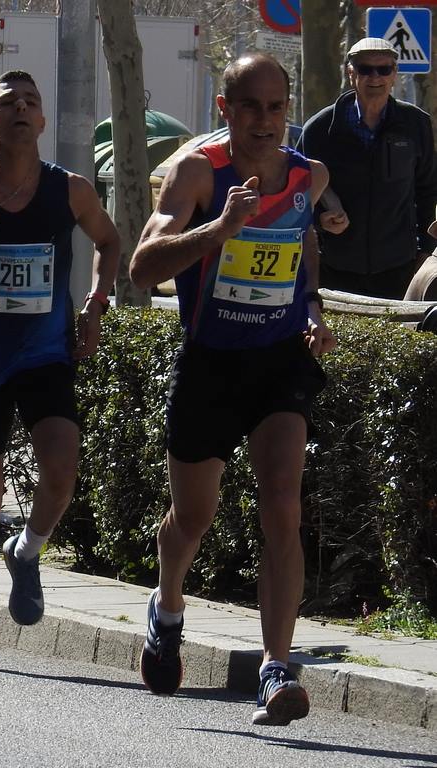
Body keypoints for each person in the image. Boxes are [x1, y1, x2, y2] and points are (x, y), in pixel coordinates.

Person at [129, 53, 337, 726]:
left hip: (277, 361)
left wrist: (312, 316)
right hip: (211, 362)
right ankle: (167, 607)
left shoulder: (308, 175)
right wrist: (220, 227)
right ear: (225, 108)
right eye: (251, 106)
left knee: (283, 504)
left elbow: (302, 257)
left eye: (277, 107)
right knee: (192, 519)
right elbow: (142, 267)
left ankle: (276, 668)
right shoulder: (199, 171)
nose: (266, 121)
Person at [0, 70, 119, 672]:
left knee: (62, 468)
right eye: (7, 103)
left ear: (41, 123)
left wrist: (94, 305)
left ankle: (27, 549)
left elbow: (111, 243)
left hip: (44, 355)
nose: (21, 109)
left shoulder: (70, 190)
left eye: (31, 102)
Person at [297, 37, 437, 299]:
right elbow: (297, 195)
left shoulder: (416, 124)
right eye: (365, 69)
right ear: (351, 74)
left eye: (384, 69)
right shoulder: (319, 129)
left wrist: (425, 250)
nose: (375, 77)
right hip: (334, 270)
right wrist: (320, 221)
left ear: (394, 74)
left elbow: (428, 189)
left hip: (399, 269)